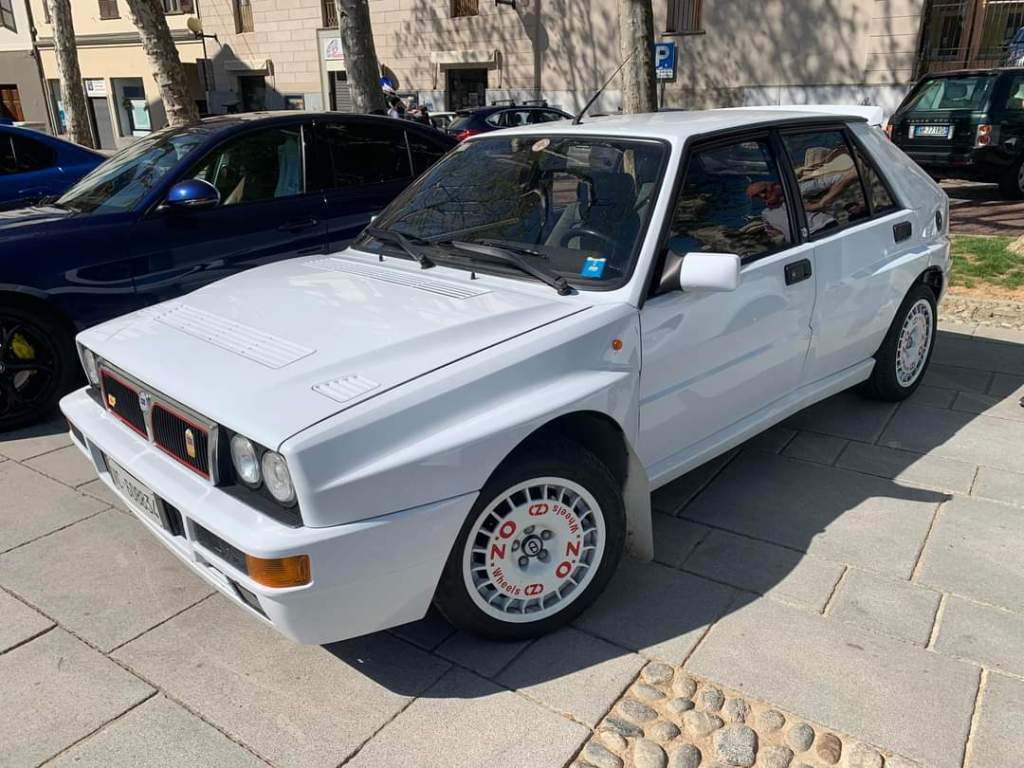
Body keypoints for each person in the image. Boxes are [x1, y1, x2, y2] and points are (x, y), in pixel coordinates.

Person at [746, 167, 859, 240]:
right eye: (757, 196)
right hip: (799, 244)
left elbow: (842, 178)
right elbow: (774, 233)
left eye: (764, 191)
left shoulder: (798, 191)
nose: (763, 196)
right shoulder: (766, 214)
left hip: (824, 230)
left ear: (774, 186)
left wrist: (822, 202)